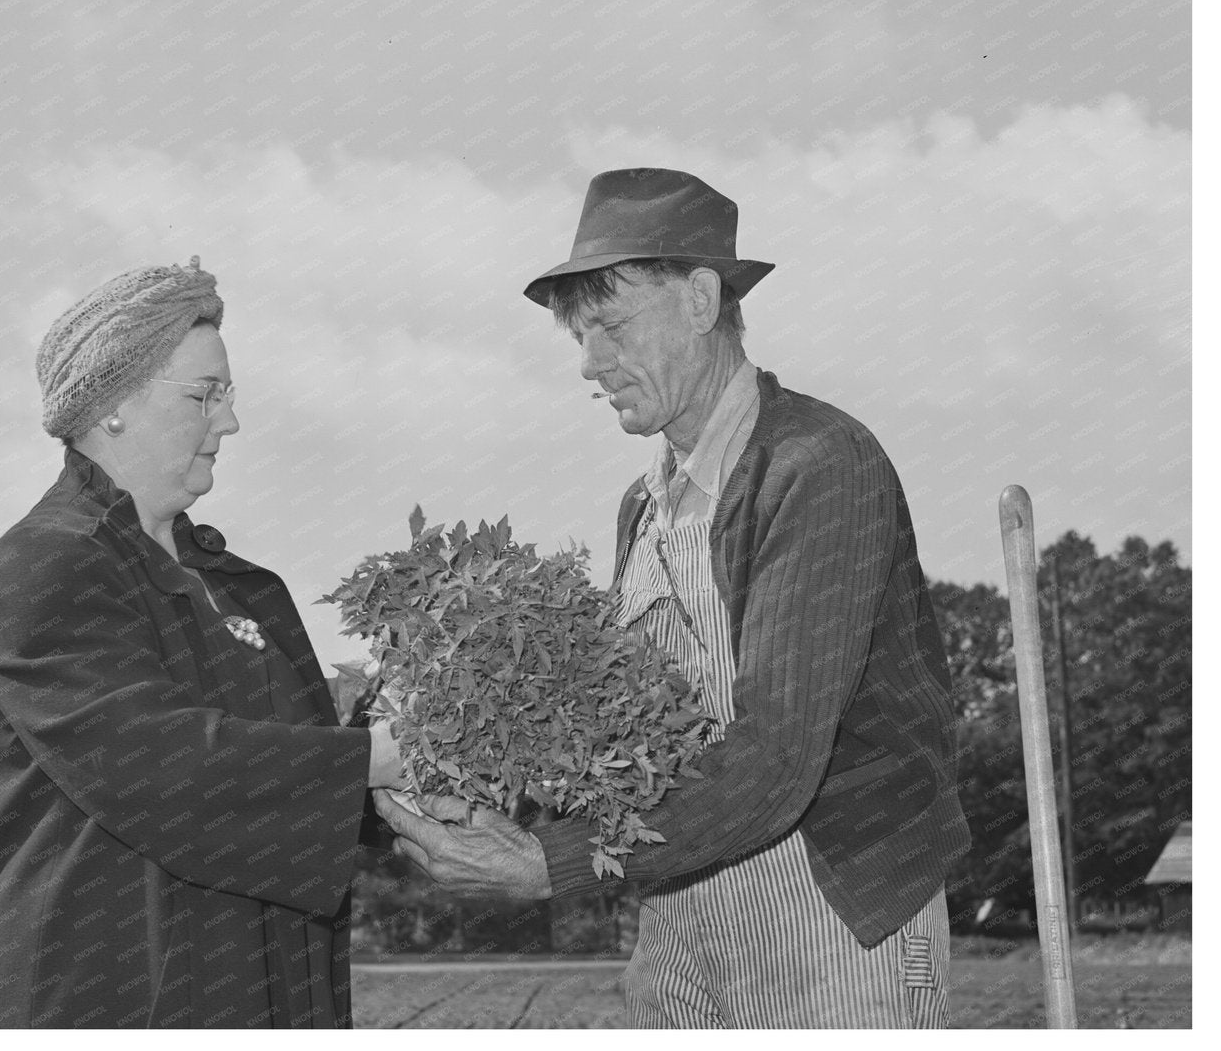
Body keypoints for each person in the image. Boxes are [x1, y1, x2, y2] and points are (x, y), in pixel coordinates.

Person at [375, 169, 970, 1028]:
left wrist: (553, 863)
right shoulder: (645, 505)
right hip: (679, 915)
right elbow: (632, 738)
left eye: (610, 325)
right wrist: (494, 784)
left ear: (699, 300)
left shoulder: (817, 466)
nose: (589, 363)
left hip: (834, 918)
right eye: (579, 336)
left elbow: (775, 756)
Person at [0, 256, 403, 1028]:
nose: (229, 420)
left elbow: (295, 776)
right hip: (99, 998)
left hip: (254, 987)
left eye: (227, 395)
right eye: (204, 395)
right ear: (115, 404)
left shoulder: (246, 588)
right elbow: (161, 766)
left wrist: (441, 774)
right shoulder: (44, 564)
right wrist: (387, 754)